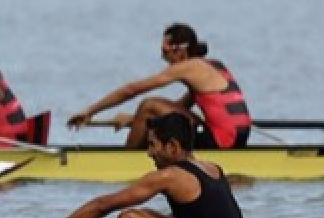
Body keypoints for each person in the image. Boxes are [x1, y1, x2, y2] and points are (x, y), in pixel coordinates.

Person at [21, 112, 247, 218]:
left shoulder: (169, 176)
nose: (148, 153)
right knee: (144, 217)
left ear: (172, 146)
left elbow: (103, 205)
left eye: (152, 145)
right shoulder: (213, 169)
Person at [67, 23, 252, 150]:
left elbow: (131, 90)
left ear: (179, 51)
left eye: (165, 51)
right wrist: (135, 120)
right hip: (238, 138)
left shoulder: (187, 67)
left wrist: (90, 111)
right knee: (150, 112)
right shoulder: (214, 65)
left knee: (149, 104)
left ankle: (126, 160)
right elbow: (180, 109)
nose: (163, 58)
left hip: (223, 141)